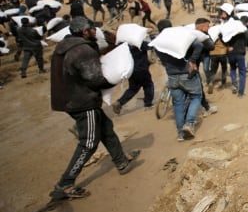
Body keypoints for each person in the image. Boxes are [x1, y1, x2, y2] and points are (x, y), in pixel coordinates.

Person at [49, 17, 140, 200]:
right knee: (89, 142)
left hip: (70, 99)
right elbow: (95, 78)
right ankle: (65, 184)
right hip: (83, 102)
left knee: (107, 129)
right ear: (84, 32)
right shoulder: (82, 51)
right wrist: (115, 77)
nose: (95, 32)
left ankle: (121, 161)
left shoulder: (65, 46)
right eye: (92, 29)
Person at [154, 19, 204, 140]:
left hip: (172, 76)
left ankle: (180, 134)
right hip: (187, 74)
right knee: (196, 96)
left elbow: (161, 58)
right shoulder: (180, 35)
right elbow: (199, 45)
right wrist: (192, 60)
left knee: (178, 104)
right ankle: (189, 123)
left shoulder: (157, 42)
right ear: (171, 26)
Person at [112, 37, 154, 114]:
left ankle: (119, 102)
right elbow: (151, 47)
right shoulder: (141, 44)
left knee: (132, 89)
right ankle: (148, 104)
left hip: (131, 71)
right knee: (148, 85)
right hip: (142, 69)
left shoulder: (124, 46)